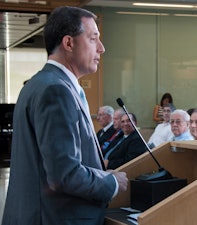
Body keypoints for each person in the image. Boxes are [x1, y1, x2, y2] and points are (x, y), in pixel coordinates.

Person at [1, 6, 128, 225]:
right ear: (68, 43)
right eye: (93, 39)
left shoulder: (38, 84)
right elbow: (65, 175)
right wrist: (112, 182)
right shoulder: (56, 90)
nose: (102, 48)